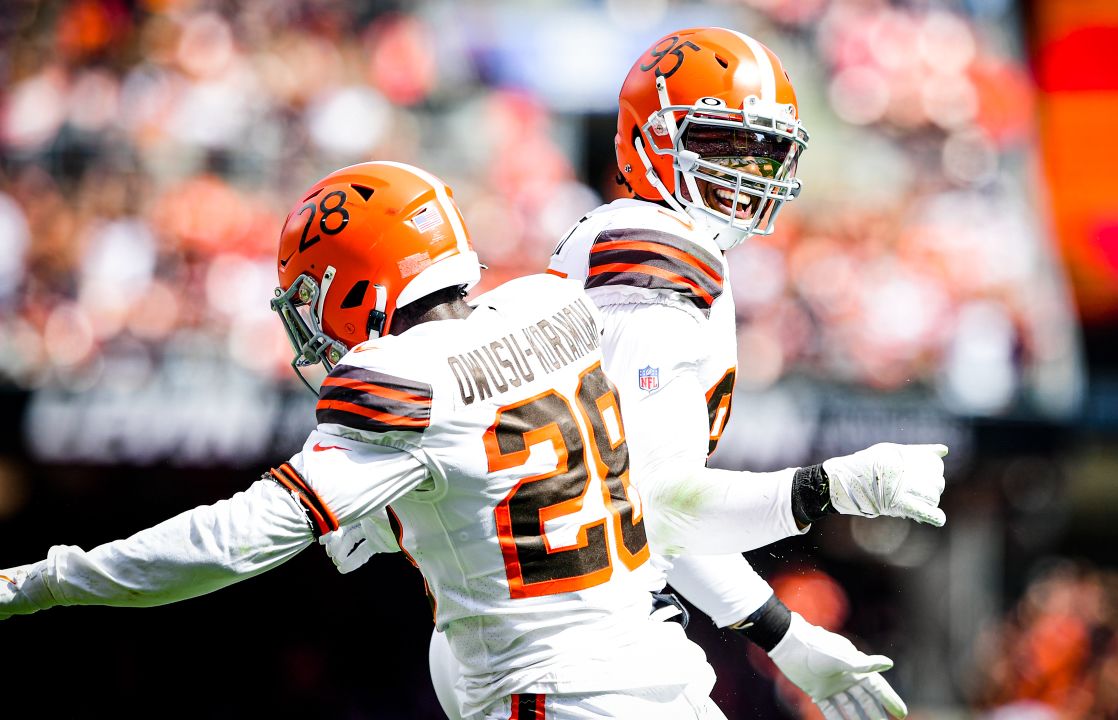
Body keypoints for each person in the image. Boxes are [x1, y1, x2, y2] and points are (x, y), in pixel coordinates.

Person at [0, 160, 944, 719]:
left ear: (355, 284)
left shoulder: (401, 384)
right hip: (664, 684)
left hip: (556, 702)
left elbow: (231, 543)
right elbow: (646, 501)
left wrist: (45, 581)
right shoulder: (552, 307)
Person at [330, 28, 949, 720]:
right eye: (720, 144)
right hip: (566, 650)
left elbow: (648, 522)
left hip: (584, 636)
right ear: (647, 140)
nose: (746, 171)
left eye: (763, 150)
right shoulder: (654, 251)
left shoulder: (663, 253)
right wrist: (829, 488)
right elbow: (655, 501)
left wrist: (786, 635)